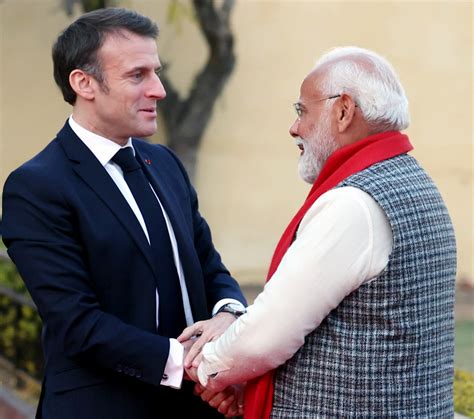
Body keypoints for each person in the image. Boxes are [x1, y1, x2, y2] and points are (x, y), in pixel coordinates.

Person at [180, 46, 457, 418]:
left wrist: (202, 365)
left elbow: (267, 335)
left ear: (343, 111)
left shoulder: (353, 203)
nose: (294, 128)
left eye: (302, 111)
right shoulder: (414, 181)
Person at [1, 8, 247, 418]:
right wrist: (187, 362)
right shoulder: (37, 186)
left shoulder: (165, 163)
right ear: (84, 83)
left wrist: (228, 315)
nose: (159, 90)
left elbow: (208, 266)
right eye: (138, 75)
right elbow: (77, 323)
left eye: (157, 72)